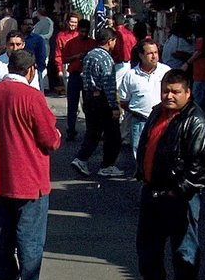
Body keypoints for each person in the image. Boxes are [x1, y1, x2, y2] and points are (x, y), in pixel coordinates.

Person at [0, 49, 63, 280]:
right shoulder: (32, 96)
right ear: (31, 70)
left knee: (4, 233)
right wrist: (57, 136)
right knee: (30, 235)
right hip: (30, 175)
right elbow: (49, 138)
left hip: (1, 175)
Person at [124, 69, 205, 280]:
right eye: (166, 90)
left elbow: (200, 165)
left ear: (188, 93)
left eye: (176, 92)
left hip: (179, 197)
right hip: (152, 190)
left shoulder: (198, 122)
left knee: (184, 249)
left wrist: (180, 190)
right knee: (148, 247)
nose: (169, 96)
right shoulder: (156, 112)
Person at [70, 27, 123, 178]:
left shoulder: (89, 55)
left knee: (93, 131)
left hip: (89, 97)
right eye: (114, 41)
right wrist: (114, 106)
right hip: (102, 99)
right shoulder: (106, 58)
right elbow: (108, 83)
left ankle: (81, 158)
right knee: (113, 135)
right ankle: (107, 165)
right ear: (110, 41)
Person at [118, 40, 170, 161]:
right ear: (141, 55)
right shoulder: (131, 75)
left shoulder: (166, 71)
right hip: (139, 121)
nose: (154, 56)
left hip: (161, 120)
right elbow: (124, 101)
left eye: (156, 52)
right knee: (139, 152)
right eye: (150, 53)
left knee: (161, 152)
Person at [58, 18, 94, 140]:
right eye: (82, 31)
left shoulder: (92, 43)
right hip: (74, 75)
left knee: (88, 105)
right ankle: (71, 130)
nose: (84, 34)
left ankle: (90, 130)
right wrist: (76, 56)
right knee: (72, 104)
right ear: (79, 30)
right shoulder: (71, 43)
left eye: (86, 32)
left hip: (88, 77)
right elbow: (64, 59)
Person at [22, 18, 49, 91]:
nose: (29, 26)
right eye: (27, 24)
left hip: (35, 70)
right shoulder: (19, 38)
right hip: (20, 70)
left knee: (37, 92)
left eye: (31, 24)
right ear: (22, 26)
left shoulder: (38, 39)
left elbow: (42, 55)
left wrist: (39, 68)